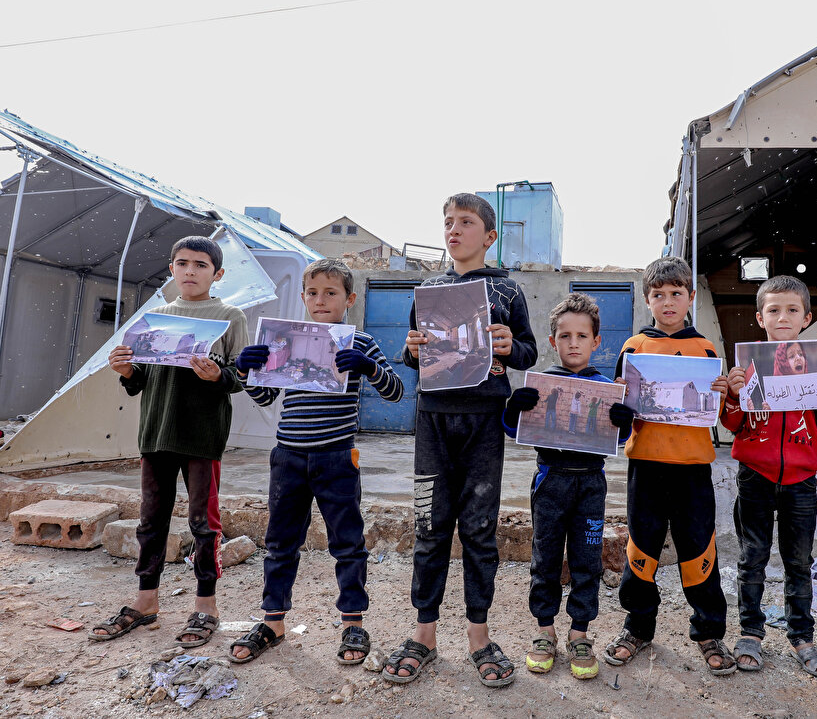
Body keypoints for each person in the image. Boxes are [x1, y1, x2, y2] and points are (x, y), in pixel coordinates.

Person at [385, 193, 538, 689]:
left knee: (478, 530)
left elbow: (529, 351)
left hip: (484, 423)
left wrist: (510, 345)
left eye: (466, 222)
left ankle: (478, 635)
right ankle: (424, 636)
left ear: (489, 236)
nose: (454, 230)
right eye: (448, 222)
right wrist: (410, 351)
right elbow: (413, 355)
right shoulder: (427, 289)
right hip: (433, 421)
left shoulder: (508, 292)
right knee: (430, 528)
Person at [228, 258, 403, 665]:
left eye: (331, 292)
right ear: (303, 297)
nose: (320, 300)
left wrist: (369, 367)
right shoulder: (282, 343)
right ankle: (273, 621)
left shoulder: (359, 342)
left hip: (337, 458)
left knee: (348, 543)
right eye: (312, 292)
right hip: (287, 457)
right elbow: (267, 398)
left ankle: (352, 622)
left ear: (350, 299)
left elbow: (394, 392)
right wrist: (247, 371)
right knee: (280, 543)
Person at [90, 236, 248, 649]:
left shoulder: (230, 316)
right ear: (172, 269)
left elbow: (242, 376)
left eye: (200, 264)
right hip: (156, 433)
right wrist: (124, 370)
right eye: (182, 263)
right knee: (150, 521)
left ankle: (206, 606)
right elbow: (142, 378)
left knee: (203, 524)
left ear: (218, 273)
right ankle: (145, 602)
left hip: (202, 435)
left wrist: (218, 375)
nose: (190, 271)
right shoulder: (156, 316)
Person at [602, 256, 735, 675]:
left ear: (691, 297)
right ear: (647, 300)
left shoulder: (706, 350)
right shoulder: (633, 347)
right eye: (659, 295)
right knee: (641, 548)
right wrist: (619, 395)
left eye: (677, 293)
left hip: (693, 467)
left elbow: (720, 409)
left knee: (700, 549)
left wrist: (721, 391)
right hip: (645, 464)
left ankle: (709, 631)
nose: (668, 301)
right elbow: (615, 411)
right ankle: (638, 627)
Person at [723, 276, 817, 677]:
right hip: (755, 477)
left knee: (799, 561)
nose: (783, 317)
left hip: (801, 480)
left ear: (807, 317)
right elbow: (733, 424)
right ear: (759, 317)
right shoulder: (747, 367)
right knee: (753, 557)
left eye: (792, 310)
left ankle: (803, 637)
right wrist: (731, 394)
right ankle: (750, 633)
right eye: (774, 310)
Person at [501, 293, 635, 679]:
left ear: (596, 341)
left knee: (586, 562)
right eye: (564, 335)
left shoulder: (606, 388)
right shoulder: (542, 385)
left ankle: (580, 634)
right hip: (550, 481)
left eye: (581, 336)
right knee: (544, 560)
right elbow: (513, 430)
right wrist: (514, 407)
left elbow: (617, 438)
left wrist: (623, 421)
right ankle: (544, 632)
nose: (573, 343)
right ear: (552, 341)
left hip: (591, 484)